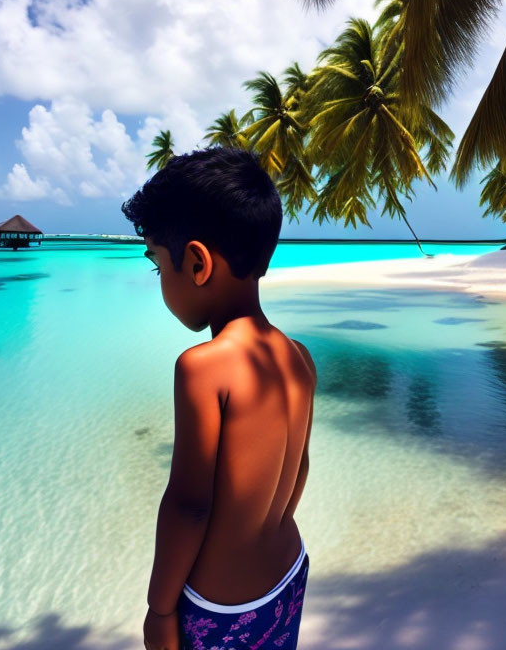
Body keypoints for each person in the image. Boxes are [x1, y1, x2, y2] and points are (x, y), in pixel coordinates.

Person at [121, 147, 316, 650]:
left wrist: (160, 609)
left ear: (197, 263)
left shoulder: (202, 367)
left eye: (157, 264)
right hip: (288, 572)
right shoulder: (297, 356)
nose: (160, 279)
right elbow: (298, 472)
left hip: (224, 607)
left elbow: (189, 506)